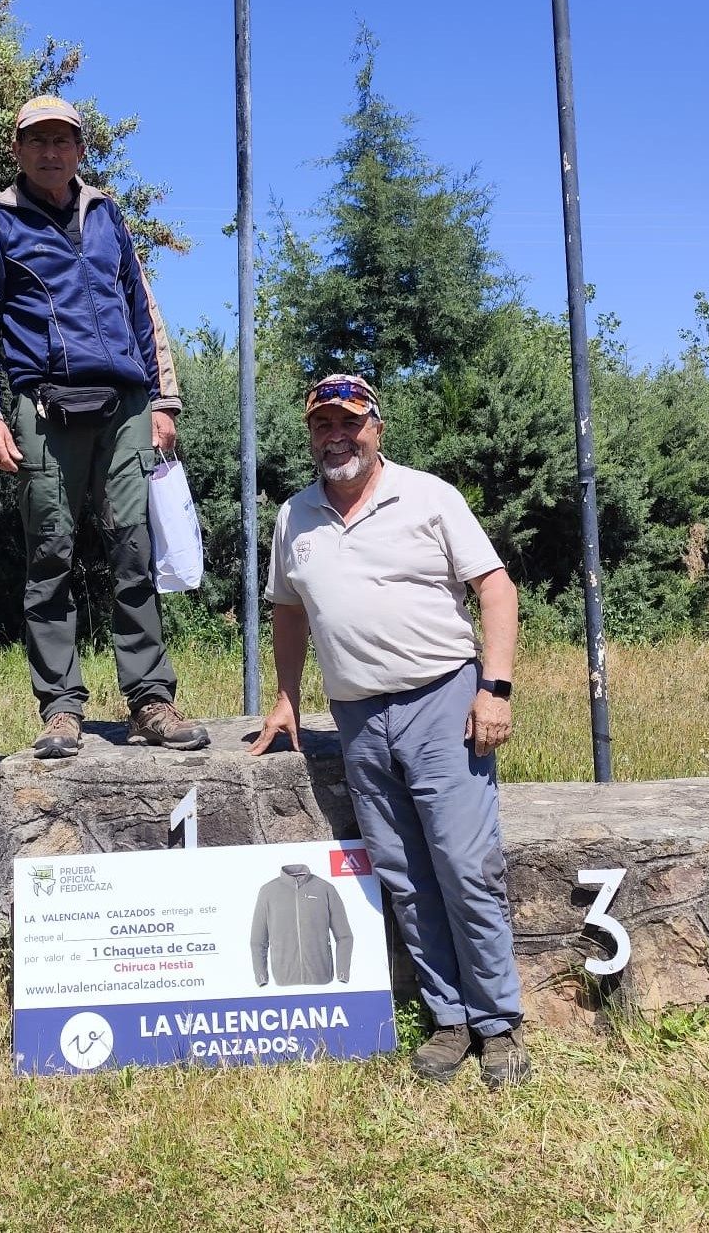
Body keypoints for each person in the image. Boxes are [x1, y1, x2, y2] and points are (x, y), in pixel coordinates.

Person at [248, 373, 530, 1088]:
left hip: (444, 703)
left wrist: (494, 688)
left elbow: (496, 588)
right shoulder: (295, 516)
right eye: (322, 426)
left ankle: (498, 1025)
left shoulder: (429, 496)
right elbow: (289, 610)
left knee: (466, 868)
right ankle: (448, 1020)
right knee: (405, 876)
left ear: (378, 425)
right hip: (357, 719)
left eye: (350, 422)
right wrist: (286, 697)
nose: (336, 436)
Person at [0, 94, 206, 758]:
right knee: (50, 556)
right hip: (42, 411)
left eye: (62, 140)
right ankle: (61, 710)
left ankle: (151, 702)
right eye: (36, 140)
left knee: (133, 551)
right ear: (17, 149)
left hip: (125, 406)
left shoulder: (107, 215)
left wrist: (164, 401)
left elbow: (141, 306)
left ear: (81, 150)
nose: (50, 152)